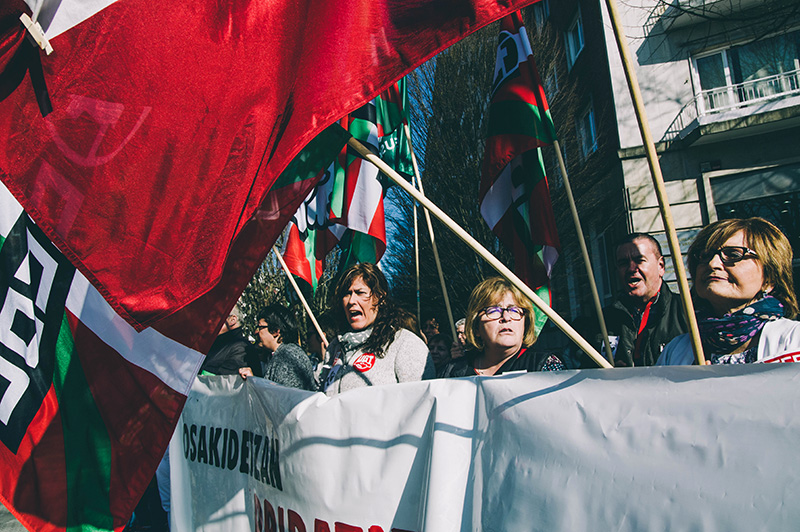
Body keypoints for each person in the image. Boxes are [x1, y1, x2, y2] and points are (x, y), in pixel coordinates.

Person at [657, 218, 800, 365]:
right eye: (705, 255)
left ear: (769, 278)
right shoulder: (675, 351)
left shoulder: (794, 341)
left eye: (733, 254)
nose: (713, 264)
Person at [576, 233, 688, 368]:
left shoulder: (687, 312)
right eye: (623, 263)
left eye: (639, 260)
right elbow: (587, 374)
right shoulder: (603, 320)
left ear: (661, 266)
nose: (631, 268)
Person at [321, 263, 434, 395]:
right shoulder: (335, 347)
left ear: (380, 298)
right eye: (347, 294)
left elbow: (421, 401)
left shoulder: (405, 344)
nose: (351, 300)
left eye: (360, 293)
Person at [439, 277, 565, 377]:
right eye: (493, 310)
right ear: (476, 327)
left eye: (514, 310)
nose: (506, 317)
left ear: (525, 323)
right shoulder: (453, 372)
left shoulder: (545, 367)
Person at [239, 305, 317, 391]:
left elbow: (281, 399)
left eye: (260, 327)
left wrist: (254, 382)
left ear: (276, 331)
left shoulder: (287, 358)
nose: (256, 332)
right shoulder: (281, 354)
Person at [199, 308, 256, 375]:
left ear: (232, 320)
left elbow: (225, 382)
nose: (209, 321)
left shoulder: (241, 348)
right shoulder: (217, 344)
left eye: (214, 316)